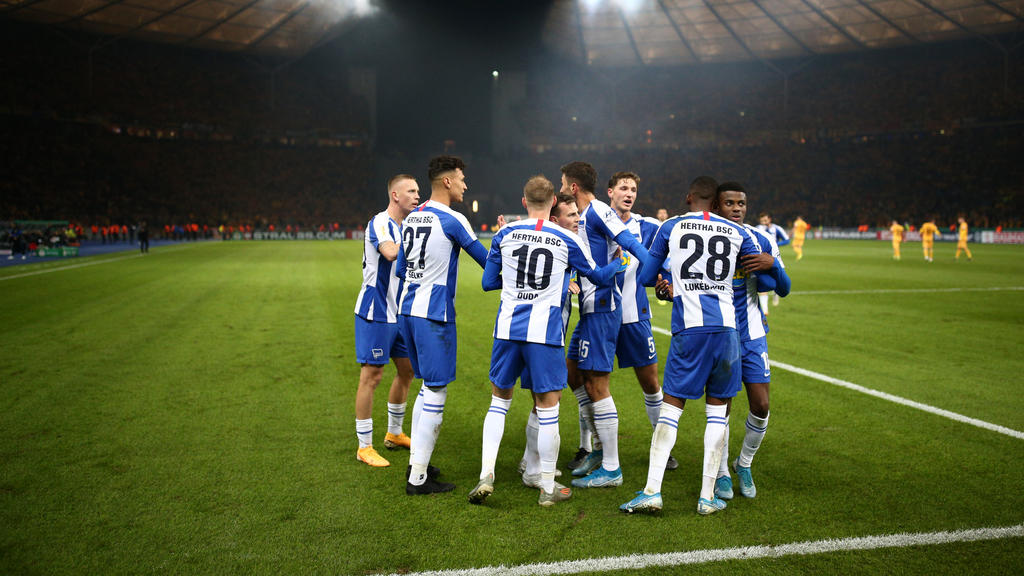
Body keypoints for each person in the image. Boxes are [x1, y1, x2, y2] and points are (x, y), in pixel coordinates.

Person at [619, 176, 774, 516]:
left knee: (672, 408)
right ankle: (707, 497)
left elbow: (647, 277)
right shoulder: (738, 232)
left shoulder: (672, 226)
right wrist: (772, 263)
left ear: (689, 196)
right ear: (717, 203)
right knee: (718, 412)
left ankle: (651, 491)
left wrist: (665, 283)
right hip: (729, 333)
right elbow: (768, 277)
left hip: (690, 331)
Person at [469, 175, 623, 507]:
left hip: (507, 330)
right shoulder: (567, 238)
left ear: (523, 202)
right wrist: (619, 264)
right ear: (554, 202)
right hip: (545, 333)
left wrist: (516, 284)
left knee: (499, 402)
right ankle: (547, 487)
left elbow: (486, 282)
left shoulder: (504, 234)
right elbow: (596, 277)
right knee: (548, 408)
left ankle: (486, 474)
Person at [398, 155, 489, 495]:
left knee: (425, 387)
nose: (466, 184)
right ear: (447, 181)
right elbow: (487, 261)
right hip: (434, 313)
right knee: (436, 389)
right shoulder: (453, 219)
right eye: (462, 178)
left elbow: (400, 271)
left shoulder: (412, 219)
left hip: (407, 310)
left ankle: (417, 462)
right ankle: (418, 479)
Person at [559, 161, 650, 490]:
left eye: (563, 181)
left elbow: (630, 244)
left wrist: (633, 265)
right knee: (573, 372)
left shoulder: (597, 211)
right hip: (588, 306)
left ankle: (611, 466)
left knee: (598, 383)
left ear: (573, 187)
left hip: (602, 307)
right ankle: (598, 449)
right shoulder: (582, 216)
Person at [708, 182, 790, 503]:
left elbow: (782, 288)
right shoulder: (710, 237)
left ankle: (743, 464)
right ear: (717, 207)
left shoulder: (763, 239)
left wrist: (773, 266)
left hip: (753, 333)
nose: (737, 209)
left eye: (741, 203)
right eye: (729, 204)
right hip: (722, 333)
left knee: (762, 404)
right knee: (722, 405)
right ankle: (722, 472)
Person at [605, 171, 678, 471]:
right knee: (589, 382)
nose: (629, 193)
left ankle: (663, 447)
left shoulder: (649, 227)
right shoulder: (594, 222)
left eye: (633, 189)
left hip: (635, 317)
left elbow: (669, 264)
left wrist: (666, 284)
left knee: (650, 383)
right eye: (623, 188)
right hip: (601, 315)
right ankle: (590, 447)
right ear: (610, 192)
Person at [353, 174, 421, 468]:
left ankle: (394, 433)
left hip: (400, 311)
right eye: (412, 191)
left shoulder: (408, 226)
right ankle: (364, 446)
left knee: (407, 371)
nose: (418, 196)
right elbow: (390, 252)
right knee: (372, 376)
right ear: (395, 195)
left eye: (418, 191)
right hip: (377, 311)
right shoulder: (381, 222)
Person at [756, 213, 790, 312]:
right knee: (762, 279)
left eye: (765, 220)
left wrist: (775, 244)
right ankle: (765, 310)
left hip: (774, 257)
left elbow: (787, 240)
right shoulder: (757, 228)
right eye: (762, 221)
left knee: (778, 278)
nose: (764, 223)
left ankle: (776, 293)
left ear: (769, 219)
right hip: (761, 257)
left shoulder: (776, 228)